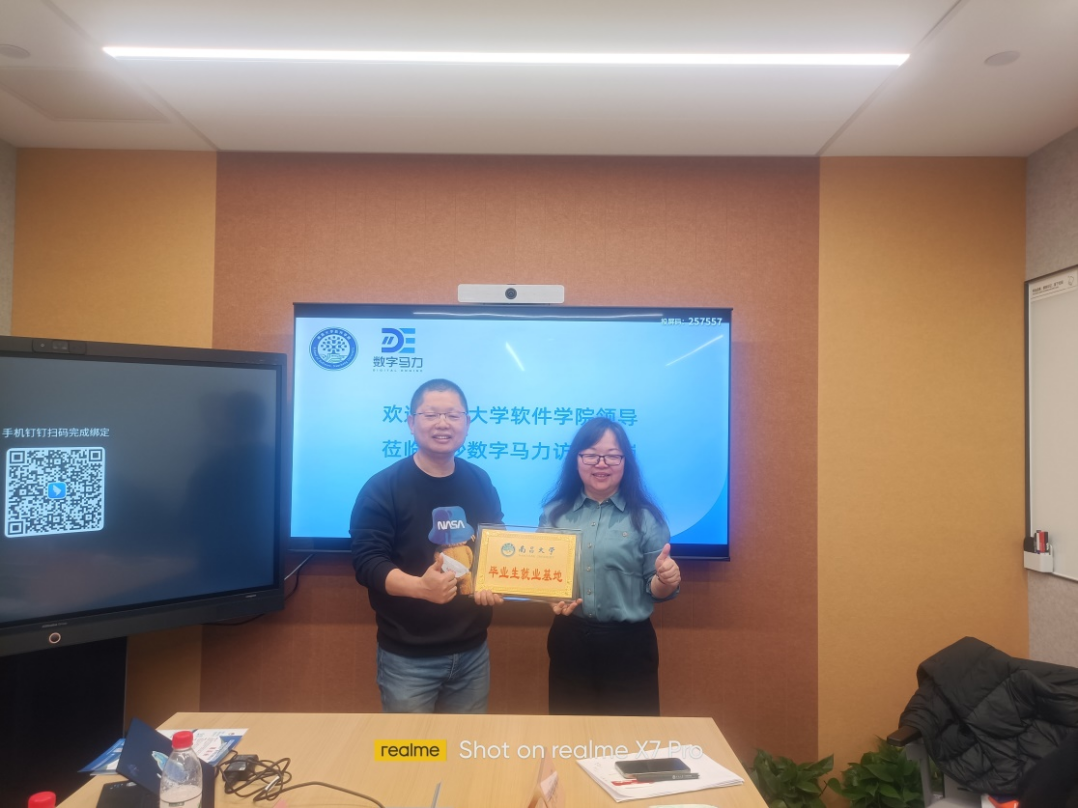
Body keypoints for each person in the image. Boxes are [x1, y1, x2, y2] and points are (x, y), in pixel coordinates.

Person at [350, 379, 503, 713]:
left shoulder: (480, 480)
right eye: (431, 414)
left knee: (465, 744)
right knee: (413, 745)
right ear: (411, 422)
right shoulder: (383, 487)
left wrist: (495, 578)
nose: (443, 424)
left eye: (453, 415)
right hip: (408, 658)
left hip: (473, 652)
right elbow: (367, 562)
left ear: (467, 423)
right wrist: (420, 587)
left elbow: (496, 539)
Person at [540, 417, 681, 716]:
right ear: (576, 459)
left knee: (630, 738)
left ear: (625, 461)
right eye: (591, 455)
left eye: (612, 456)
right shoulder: (554, 515)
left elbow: (656, 588)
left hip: (629, 645)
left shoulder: (647, 518)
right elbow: (541, 579)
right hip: (569, 639)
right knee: (569, 734)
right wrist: (547, 596)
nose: (601, 463)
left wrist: (666, 580)